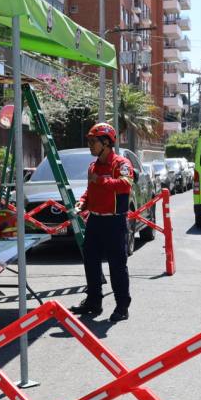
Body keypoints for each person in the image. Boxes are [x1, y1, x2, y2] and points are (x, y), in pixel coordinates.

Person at [70, 123, 133, 323]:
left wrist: (102, 181)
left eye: (93, 141)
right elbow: (91, 190)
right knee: (91, 263)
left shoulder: (121, 163)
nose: (90, 145)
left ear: (106, 142)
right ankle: (93, 302)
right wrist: (82, 203)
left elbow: (125, 184)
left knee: (117, 266)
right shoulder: (93, 166)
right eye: (89, 141)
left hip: (115, 222)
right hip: (95, 221)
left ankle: (122, 307)